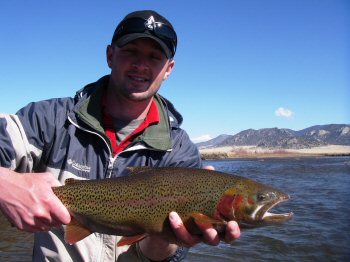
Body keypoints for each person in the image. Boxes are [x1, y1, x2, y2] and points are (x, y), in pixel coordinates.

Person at [0, 10, 240, 261]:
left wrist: (163, 237)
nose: (141, 65)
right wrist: (4, 183)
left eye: (154, 56)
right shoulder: (49, 120)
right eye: (131, 51)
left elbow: (157, 256)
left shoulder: (179, 152)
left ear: (168, 69)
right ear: (110, 55)